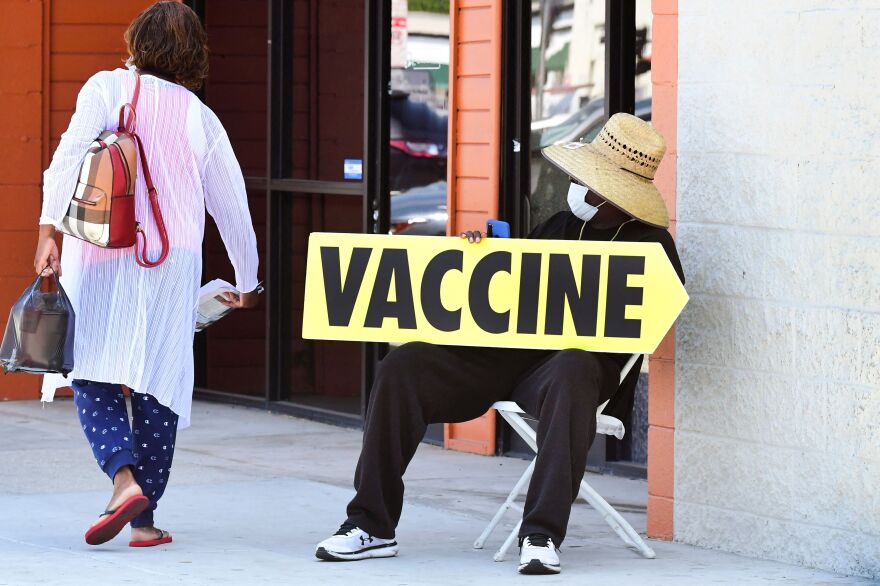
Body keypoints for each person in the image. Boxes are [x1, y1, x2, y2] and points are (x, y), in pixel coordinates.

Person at [315, 113, 685, 574]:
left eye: (590, 184)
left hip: (568, 376)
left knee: (572, 367)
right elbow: (513, 295)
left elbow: (660, 318)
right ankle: (370, 524)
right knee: (402, 364)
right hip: (502, 360)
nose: (579, 190)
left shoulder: (653, 246)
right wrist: (483, 256)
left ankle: (541, 534)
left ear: (615, 195)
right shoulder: (558, 224)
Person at [34, 2, 259, 547]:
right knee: (160, 383)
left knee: (90, 369)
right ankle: (145, 523)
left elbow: (66, 159)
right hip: (172, 262)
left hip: (100, 249)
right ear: (192, 55)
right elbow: (232, 205)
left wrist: (47, 231)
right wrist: (247, 281)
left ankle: (122, 478)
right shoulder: (200, 117)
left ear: (136, 41)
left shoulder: (107, 88)